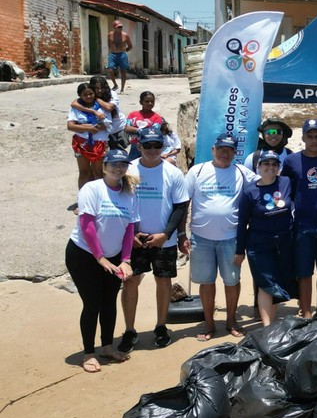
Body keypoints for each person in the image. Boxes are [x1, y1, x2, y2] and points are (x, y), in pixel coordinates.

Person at [118, 127, 190, 353]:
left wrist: (168, 235)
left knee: (163, 281)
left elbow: (180, 206)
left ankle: (161, 326)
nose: (152, 150)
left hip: (162, 238)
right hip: (135, 239)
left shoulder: (173, 173)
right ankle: (130, 330)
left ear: (163, 146)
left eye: (156, 145)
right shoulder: (128, 170)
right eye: (147, 145)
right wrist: (130, 234)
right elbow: (117, 202)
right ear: (138, 146)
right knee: (130, 282)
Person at [65, 149, 138, 372]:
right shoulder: (92, 188)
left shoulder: (129, 192)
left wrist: (125, 259)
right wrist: (99, 257)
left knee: (109, 302)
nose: (118, 168)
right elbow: (87, 225)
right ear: (104, 166)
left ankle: (107, 346)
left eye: (122, 164)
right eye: (113, 164)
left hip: (114, 256)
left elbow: (130, 229)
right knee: (93, 303)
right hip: (84, 254)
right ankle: (88, 353)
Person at [180, 134, 257, 340]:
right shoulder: (197, 171)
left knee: (232, 281)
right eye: (221, 148)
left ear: (235, 152)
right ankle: (209, 323)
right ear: (213, 150)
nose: (225, 153)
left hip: (231, 238)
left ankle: (231, 320)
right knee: (206, 282)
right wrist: (181, 234)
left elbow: (268, 179)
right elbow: (183, 203)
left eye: (230, 149)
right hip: (200, 238)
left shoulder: (241, 171)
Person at [281, 119, 317, 319]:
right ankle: (306, 313)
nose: (314, 140)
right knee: (304, 272)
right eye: (310, 136)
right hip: (302, 225)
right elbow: (284, 190)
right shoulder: (291, 161)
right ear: (303, 138)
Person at [235, 150, 296, 326]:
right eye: (266, 164)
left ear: (279, 167)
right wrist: (240, 251)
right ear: (258, 167)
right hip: (259, 244)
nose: (270, 167)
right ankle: (267, 326)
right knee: (266, 282)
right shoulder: (249, 192)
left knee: (278, 282)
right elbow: (242, 223)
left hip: (284, 242)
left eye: (274, 164)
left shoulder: (286, 182)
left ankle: (272, 321)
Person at [67, 81, 109, 191]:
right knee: (84, 173)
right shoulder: (76, 108)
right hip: (81, 143)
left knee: (98, 173)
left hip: (99, 142)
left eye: (91, 93)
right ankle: (82, 200)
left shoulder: (101, 106)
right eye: (85, 95)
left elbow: (109, 124)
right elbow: (70, 126)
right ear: (80, 96)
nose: (89, 96)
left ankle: (99, 200)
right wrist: (88, 128)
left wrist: (82, 126)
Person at [71, 75, 126, 151]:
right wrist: (93, 111)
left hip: (116, 128)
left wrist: (96, 98)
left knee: (118, 156)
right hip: (102, 133)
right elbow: (74, 104)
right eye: (96, 88)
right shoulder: (90, 95)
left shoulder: (112, 94)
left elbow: (109, 108)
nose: (100, 90)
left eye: (102, 88)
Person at [125, 91, 164, 159]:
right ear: (141, 102)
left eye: (152, 101)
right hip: (134, 145)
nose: (150, 103)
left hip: (148, 146)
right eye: (147, 101)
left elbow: (153, 132)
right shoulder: (133, 114)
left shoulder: (157, 117)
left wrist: (135, 130)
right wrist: (142, 130)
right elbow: (127, 128)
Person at [106, 19, 132, 93]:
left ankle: (122, 89)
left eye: (121, 27)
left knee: (123, 71)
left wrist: (124, 51)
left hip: (122, 54)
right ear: (114, 27)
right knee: (110, 70)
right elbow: (109, 44)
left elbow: (130, 46)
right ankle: (115, 84)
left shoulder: (125, 35)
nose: (120, 28)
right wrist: (112, 50)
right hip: (113, 54)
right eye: (118, 27)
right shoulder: (110, 34)